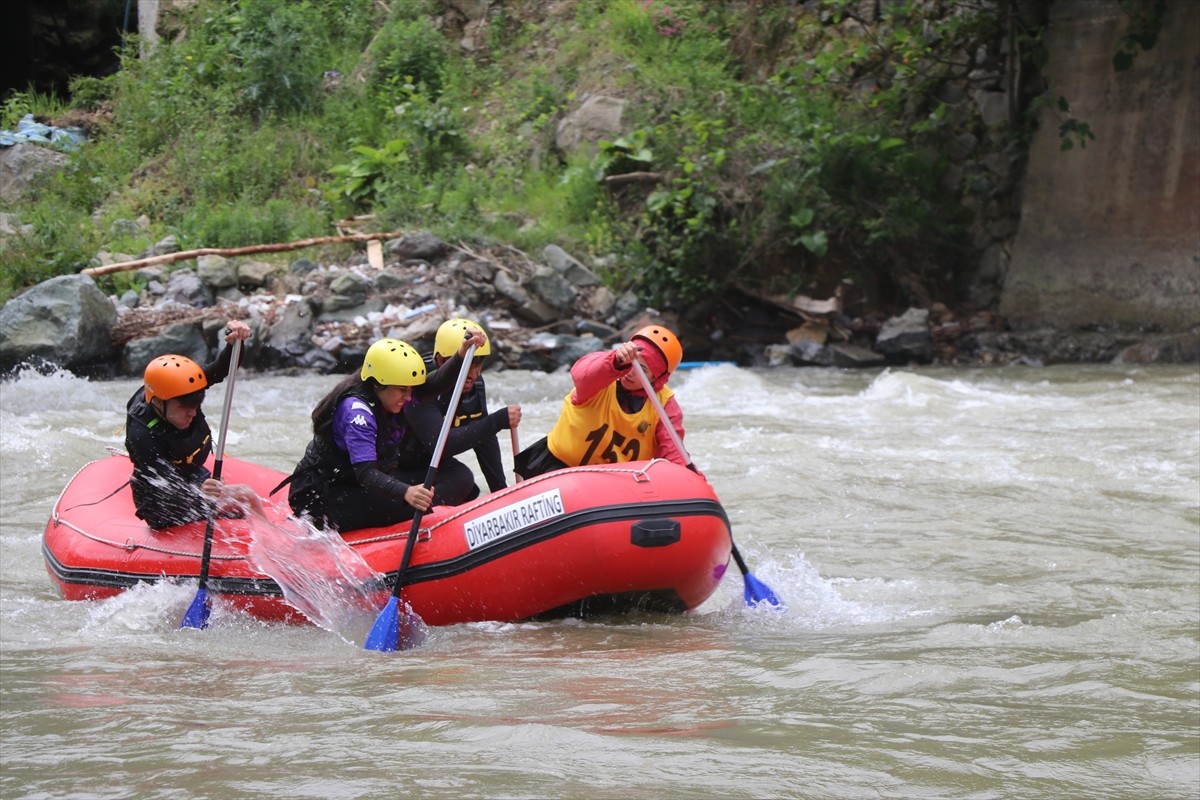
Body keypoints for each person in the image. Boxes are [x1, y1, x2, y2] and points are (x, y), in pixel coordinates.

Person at [286, 329, 486, 532]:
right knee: (412, 508)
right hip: (320, 498)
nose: (409, 397)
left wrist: (461, 354)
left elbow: (434, 385)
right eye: (403, 390)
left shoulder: (389, 391)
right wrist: (406, 492)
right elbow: (366, 473)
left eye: (410, 389)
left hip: (352, 484)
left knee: (462, 479)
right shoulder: (357, 414)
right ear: (378, 384)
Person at [125, 320, 263, 530]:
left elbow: (222, 368)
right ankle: (277, 547)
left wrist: (236, 343)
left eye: (197, 405)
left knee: (242, 499)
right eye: (184, 408)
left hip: (189, 475)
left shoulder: (183, 387)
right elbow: (166, 487)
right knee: (246, 496)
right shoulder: (142, 436)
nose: (193, 413)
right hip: (161, 503)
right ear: (159, 402)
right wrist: (202, 490)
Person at [514, 324, 700, 479]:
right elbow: (581, 374)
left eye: (642, 369)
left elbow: (674, 456)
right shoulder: (603, 376)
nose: (631, 371)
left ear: (656, 378)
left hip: (615, 482)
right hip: (558, 466)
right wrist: (617, 361)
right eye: (632, 362)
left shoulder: (664, 405)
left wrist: (696, 485)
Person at [397, 318, 521, 502]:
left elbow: (484, 438)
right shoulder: (418, 385)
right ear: (441, 361)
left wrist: (500, 492)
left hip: (430, 464)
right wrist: (497, 421)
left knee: (467, 485)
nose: (473, 374)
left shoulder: (474, 382)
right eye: (468, 365)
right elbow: (441, 445)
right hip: (398, 470)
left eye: (478, 364)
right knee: (463, 482)